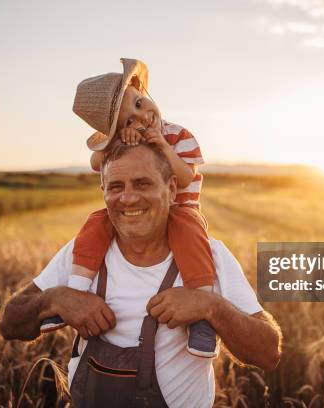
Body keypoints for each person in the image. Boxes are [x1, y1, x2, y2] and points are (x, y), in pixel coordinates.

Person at [0, 142, 282, 407]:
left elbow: (268, 352)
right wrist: (55, 299)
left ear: (172, 189)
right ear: (103, 191)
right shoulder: (81, 255)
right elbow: (10, 324)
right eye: (115, 186)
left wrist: (211, 306)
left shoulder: (211, 257)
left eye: (142, 183)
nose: (128, 197)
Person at [40, 58, 217, 358]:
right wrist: (115, 141)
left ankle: (202, 317)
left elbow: (185, 176)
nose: (141, 118)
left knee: (192, 241)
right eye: (128, 121)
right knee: (95, 225)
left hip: (180, 212)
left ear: (141, 88)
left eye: (138, 103)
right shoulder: (125, 141)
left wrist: (160, 145)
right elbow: (97, 163)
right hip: (139, 215)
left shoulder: (179, 136)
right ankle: (76, 292)